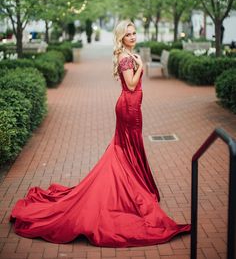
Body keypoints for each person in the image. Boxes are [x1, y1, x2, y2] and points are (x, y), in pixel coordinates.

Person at [10, 20, 191, 246]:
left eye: (134, 33)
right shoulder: (126, 58)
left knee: (128, 147)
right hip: (128, 108)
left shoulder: (129, 55)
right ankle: (125, 190)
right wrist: (141, 67)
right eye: (129, 35)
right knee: (125, 148)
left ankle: (134, 184)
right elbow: (132, 85)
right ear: (121, 38)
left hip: (132, 107)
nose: (133, 37)